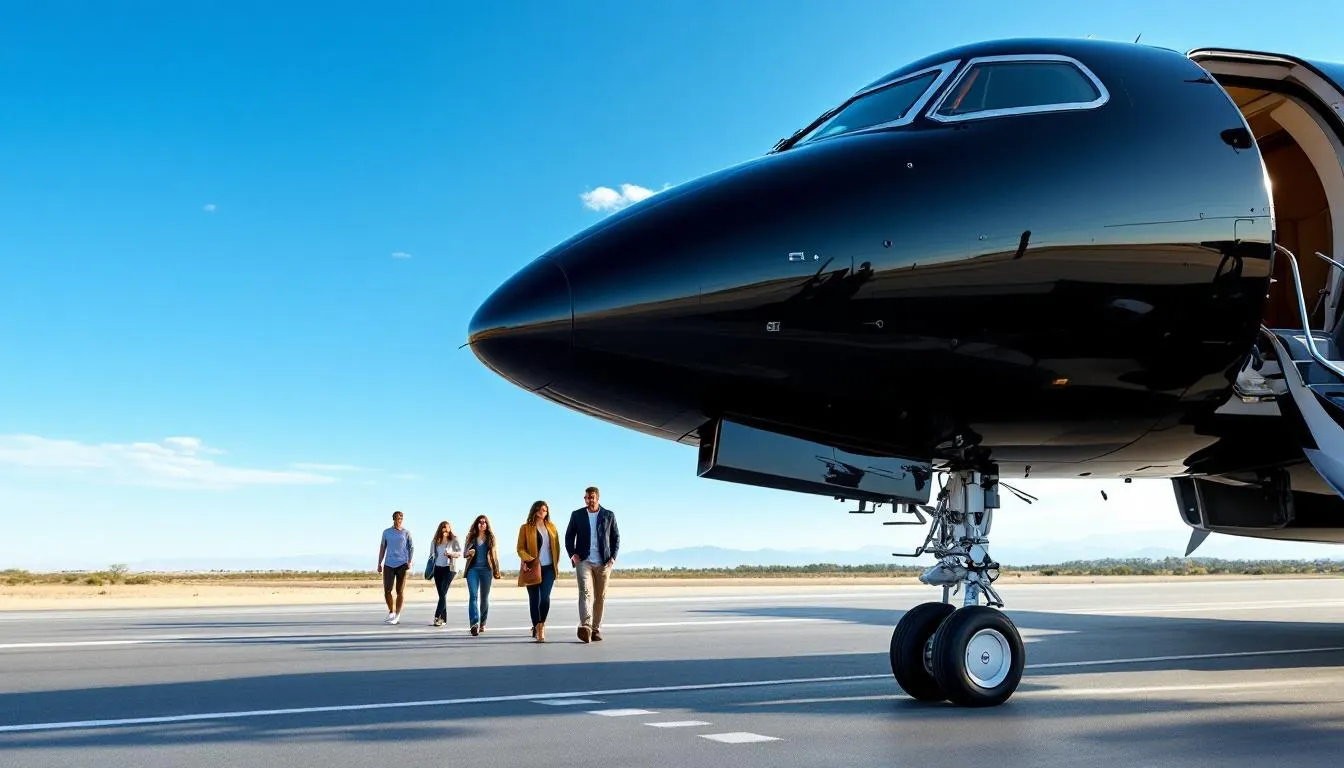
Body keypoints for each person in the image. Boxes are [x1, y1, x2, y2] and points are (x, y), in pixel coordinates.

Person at [564, 486, 619, 643]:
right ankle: (586, 626)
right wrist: (572, 554)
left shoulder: (609, 515)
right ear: (585, 499)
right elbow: (569, 536)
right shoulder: (577, 515)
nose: (590, 500)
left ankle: (595, 629)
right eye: (587, 497)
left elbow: (616, 537)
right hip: (583, 560)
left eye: (592, 497)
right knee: (585, 592)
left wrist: (613, 558)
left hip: (603, 562)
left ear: (598, 498)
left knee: (600, 596)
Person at [516, 500, 560, 642]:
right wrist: (527, 560)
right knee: (534, 599)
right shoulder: (525, 528)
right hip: (533, 567)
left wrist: (555, 564)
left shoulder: (552, 527)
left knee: (545, 598)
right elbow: (520, 548)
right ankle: (536, 626)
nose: (543, 512)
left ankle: (541, 625)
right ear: (535, 510)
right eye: (541, 509)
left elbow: (557, 547)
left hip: (548, 568)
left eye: (545, 510)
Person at [462, 514, 501, 636]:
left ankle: (483, 622)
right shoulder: (470, 537)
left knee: (484, 598)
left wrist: (496, 570)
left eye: (484, 522)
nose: (482, 524)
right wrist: (469, 552)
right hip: (472, 570)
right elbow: (464, 554)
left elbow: (494, 555)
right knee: (473, 596)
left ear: (487, 524)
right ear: (476, 524)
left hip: (486, 571)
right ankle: (474, 623)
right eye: (479, 522)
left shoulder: (491, 538)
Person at [376, 510, 414, 625]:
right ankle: (391, 612)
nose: (399, 520)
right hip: (389, 564)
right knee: (387, 590)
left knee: (399, 591)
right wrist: (379, 563)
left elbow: (411, 547)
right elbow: (383, 547)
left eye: (401, 518)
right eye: (397, 518)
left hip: (402, 564)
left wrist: (409, 561)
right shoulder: (386, 532)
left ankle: (397, 615)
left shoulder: (406, 533)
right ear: (393, 519)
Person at [429, 520, 462, 627]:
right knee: (442, 595)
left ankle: (437, 616)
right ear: (440, 529)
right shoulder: (435, 541)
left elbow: (459, 553)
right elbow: (431, 555)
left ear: (450, 529)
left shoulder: (454, 539)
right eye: (443, 527)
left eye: (447, 527)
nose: (445, 529)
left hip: (450, 569)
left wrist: (450, 554)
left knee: (443, 593)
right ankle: (443, 619)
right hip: (437, 569)